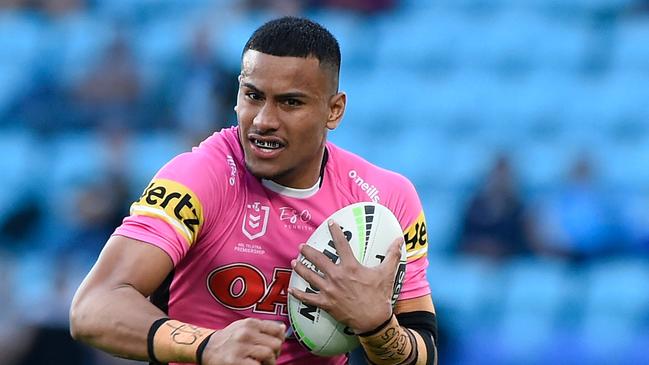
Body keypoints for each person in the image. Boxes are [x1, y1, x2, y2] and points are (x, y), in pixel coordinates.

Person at [70, 16, 437, 365]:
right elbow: (92, 307)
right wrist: (207, 345)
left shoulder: (385, 201)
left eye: (290, 102)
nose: (263, 120)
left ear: (334, 110)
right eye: (253, 96)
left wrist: (378, 328)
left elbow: (424, 352)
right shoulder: (199, 178)